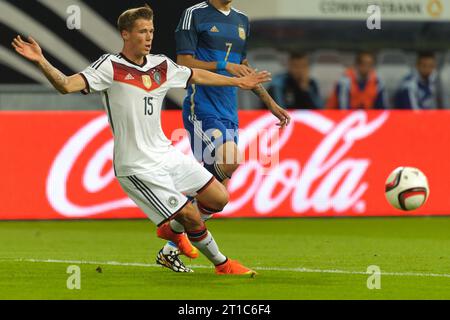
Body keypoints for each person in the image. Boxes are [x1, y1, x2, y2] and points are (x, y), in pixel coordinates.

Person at [11, 4, 271, 275]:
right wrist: (41, 60)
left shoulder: (161, 65)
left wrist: (236, 82)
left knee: (219, 197)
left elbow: (196, 75)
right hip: (137, 165)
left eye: (151, 31)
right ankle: (223, 264)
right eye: (142, 31)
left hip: (165, 154)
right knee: (191, 216)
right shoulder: (110, 67)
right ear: (125, 34)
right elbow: (65, 85)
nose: (148, 37)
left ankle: (170, 229)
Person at [156, 0, 291, 272]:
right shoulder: (194, 15)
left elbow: (242, 67)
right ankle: (182, 235)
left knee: (218, 196)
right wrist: (223, 65)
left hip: (229, 110)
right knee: (231, 159)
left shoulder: (241, 19)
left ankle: (171, 242)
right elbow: (183, 64)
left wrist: (269, 103)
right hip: (201, 106)